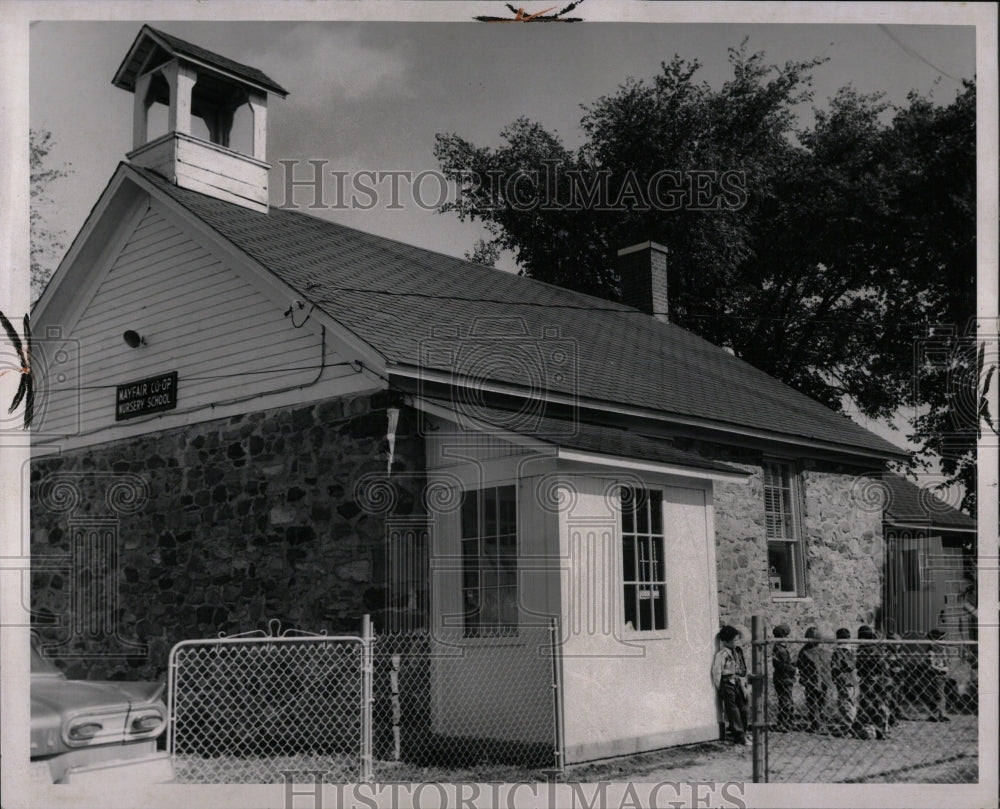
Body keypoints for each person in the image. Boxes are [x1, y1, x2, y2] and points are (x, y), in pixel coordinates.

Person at [712, 625, 750, 746]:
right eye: (734, 640)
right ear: (725, 642)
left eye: (737, 639)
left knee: (743, 707)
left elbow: (741, 669)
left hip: (737, 682)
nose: (736, 642)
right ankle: (739, 736)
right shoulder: (722, 655)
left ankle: (744, 732)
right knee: (733, 710)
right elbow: (717, 671)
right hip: (727, 683)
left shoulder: (737, 652)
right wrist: (720, 687)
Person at [855, 624, 890, 738]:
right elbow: (883, 666)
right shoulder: (877, 648)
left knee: (867, 705)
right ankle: (883, 729)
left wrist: (867, 674)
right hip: (880, 680)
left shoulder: (863, 649)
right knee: (880, 704)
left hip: (868, 681)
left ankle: (869, 728)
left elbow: (859, 667)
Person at [796, 626, 828, 733]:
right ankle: (819, 725)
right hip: (815, 681)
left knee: (816, 704)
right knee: (817, 704)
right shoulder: (820, 651)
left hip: (815, 681)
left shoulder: (805, 651)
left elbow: (800, 665)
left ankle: (818, 725)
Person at [830, 627, 856, 734]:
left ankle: (848, 726)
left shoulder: (839, 652)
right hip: (851, 681)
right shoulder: (851, 650)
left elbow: (835, 667)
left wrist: (834, 675)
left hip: (843, 681)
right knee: (850, 703)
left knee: (844, 703)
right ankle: (851, 723)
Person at [772, 623, 797, 731]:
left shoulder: (780, 648)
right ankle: (783, 724)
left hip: (785, 678)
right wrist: (793, 668)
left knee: (787, 701)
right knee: (785, 702)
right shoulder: (780, 649)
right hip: (783, 678)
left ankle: (786, 723)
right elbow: (781, 665)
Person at [924, 628, 951, 722]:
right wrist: (942, 669)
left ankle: (934, 714)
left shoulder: (941, 651)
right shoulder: (931, 652)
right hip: (935, 675)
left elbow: (946, 662)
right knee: (938, 696)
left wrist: (946, 666)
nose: (943, 642)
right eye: (940, 640)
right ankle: (941, 714)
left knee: (940, 695)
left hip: (942, 675)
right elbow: (930, 666)